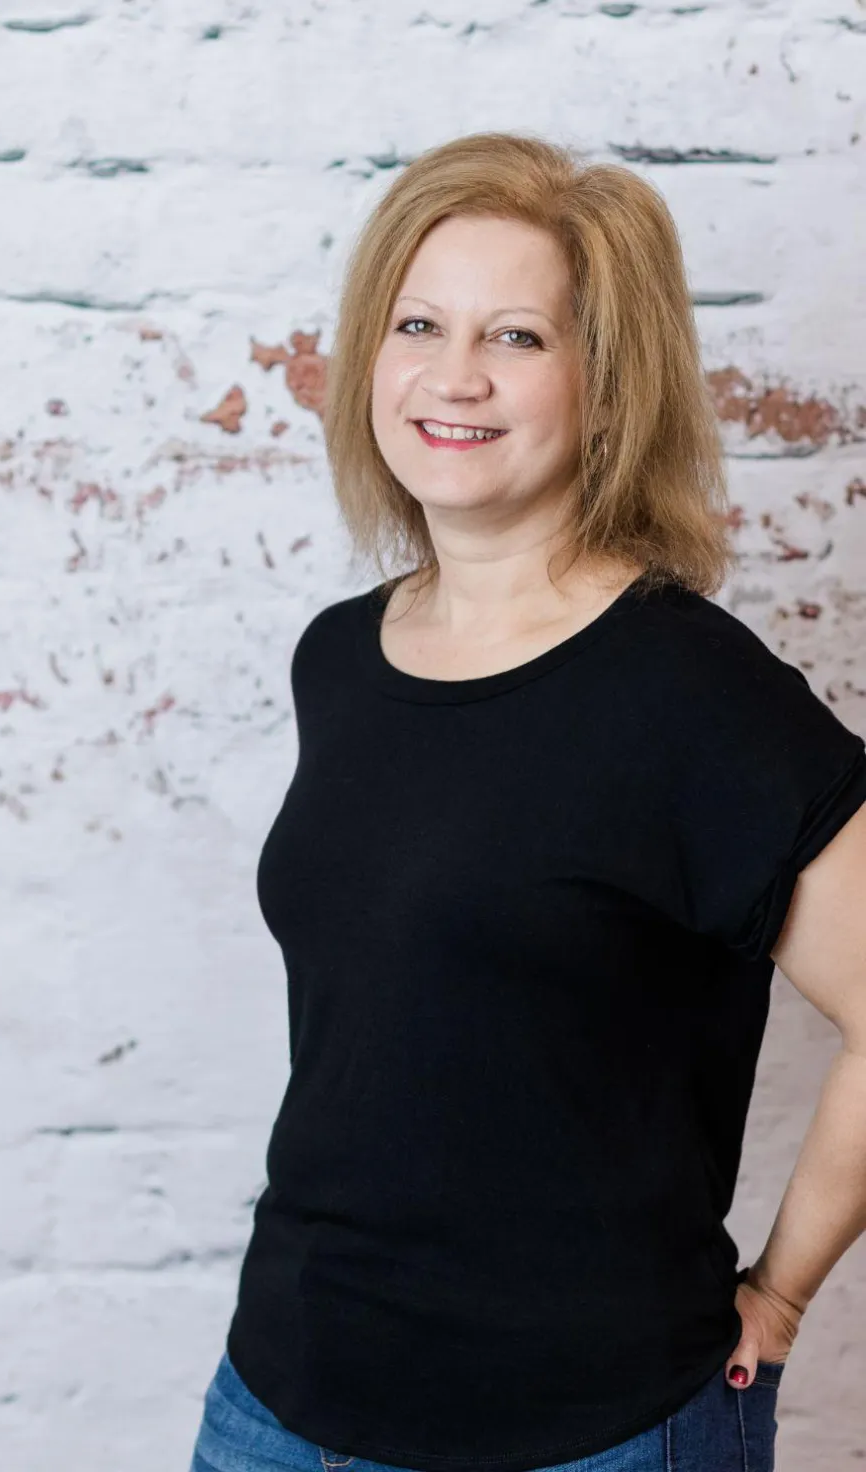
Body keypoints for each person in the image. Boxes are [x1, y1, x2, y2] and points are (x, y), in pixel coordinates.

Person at [187, 132, 866, 1472]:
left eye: (516, 336)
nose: (454, 375)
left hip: (590, 1432)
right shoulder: (340, 655)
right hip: (281, 1400)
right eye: (420, 323)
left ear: (609, 388)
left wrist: (778, 1295)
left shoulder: (689, 693)